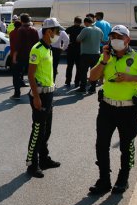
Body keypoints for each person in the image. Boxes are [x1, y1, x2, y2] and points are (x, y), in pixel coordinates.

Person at [87, 25, 137, 195]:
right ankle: (104, 180)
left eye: (119, 37)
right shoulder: (106, 57)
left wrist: (131, 78)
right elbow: (92, 77)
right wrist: (104, 61)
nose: (115, 40)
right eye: (113, 37)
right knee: (101, 145)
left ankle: (123, 178)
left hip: (128, 110)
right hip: (106, 108)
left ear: (128, 39)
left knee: (126, 146)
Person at [25, 18, 62, 178]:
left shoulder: (49, 48)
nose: (58, 34)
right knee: (38, 130)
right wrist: (36, 97)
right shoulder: (37, 49)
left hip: (49, 93)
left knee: (47, 130)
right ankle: (32, 164)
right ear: (49, 32)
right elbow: (31, 75)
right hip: (40, 95)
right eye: (57, 31)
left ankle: (44, 159)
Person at [11, 14, 39, 100]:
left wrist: (14, 56)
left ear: (21, 21)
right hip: (33, 56)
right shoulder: (34, 30)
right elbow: (37, 44)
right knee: (34, 75)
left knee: (17, 75)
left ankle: (17, 94)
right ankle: (35, 92)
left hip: (22, 56)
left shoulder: (20, 30)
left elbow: (18, 44)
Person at [76, 17, 104, 94]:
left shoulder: (86, 29)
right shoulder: (99, 30)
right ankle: (92, 88)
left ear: (85, 22)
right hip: (96, 54)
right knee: (94, 72)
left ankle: (83, 88)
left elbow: (78, 39)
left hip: (86, 54)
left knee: (83, 71)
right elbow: (102, 39)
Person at [65, 16, 84, 87]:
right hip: (79, 49)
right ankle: (77, 82)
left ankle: (68, 81)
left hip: (71, 49)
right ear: (81, 22)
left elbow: (63, 35)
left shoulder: (70, 28)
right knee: (78, 67)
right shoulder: (83, 29)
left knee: (69, 66)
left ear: (74, 21)